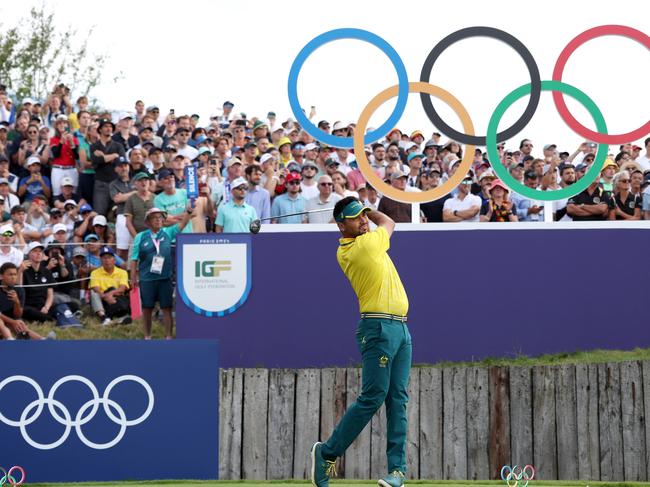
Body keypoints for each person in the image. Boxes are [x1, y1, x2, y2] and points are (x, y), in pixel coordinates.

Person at [311, 197, 411, 487]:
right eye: (356, 218)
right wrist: (371, 207)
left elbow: (378, 223)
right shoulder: (363, 247)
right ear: (341, 225)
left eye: (364, 215)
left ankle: (397, 472)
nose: (364, 220)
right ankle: (327, 453)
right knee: (373, 396)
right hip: (378, 327)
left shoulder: (365, 241)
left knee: (397, 400)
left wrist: (362, 207)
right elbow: (388, 222)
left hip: (401, 329)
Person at [130, 207, 192, 340]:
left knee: (167, 307)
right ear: (148, 221)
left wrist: (189, 212)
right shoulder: (140, 237)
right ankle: (147, 336)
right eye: (154, 217)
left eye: (160, 217)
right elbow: (134, 258)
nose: (158, 220)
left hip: (165, 278)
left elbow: (182, 224)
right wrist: (133, 278)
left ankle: (168, 336)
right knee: (147, 308)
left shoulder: (168, 232)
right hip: (147, 278)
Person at [0, 262, 53, 340]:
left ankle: (42, 340)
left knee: (19, 324)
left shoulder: (19, 290)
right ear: (1, 276)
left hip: (8, 320)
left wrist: (16, 302)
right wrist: (12, 321)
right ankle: (10, 339)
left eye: (15, 274)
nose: (13, 277)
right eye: (10, 274)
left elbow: (18, 315)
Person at [90, 246, 131, 326]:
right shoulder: (95, 273)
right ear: (100, 260)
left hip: (117, 298)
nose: (107, 260)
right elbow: (96, 289)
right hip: (103, 299)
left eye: (109, 257)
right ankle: (103, 318)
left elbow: (122, 288)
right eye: (104, 258)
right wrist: (106, 297)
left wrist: (110, 294)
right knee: (93, 293)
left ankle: (120, 317)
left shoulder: (122, 272)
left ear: (114, 260)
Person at [20, 241, 55, 322]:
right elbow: (19, 289)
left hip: (42, 306)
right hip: (28, 306)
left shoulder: (46, 271)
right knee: (28, 311)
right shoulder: (23, 270)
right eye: (35, 251)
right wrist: (20, 272)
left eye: (40, 251)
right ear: (29, 254)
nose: (38, 253)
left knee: (72, 305)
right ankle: (47, 319)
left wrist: (46, 307)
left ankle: (42, 317)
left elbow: (50, 294)